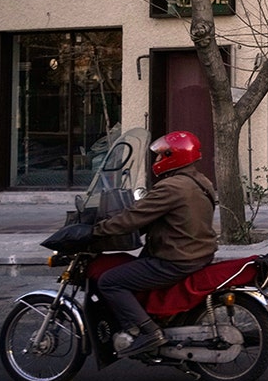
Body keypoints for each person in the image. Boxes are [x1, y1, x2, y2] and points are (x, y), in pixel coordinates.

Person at [92, 130, 218, 357]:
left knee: (110, 281)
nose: (158, 161)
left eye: (162, 156)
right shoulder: (201, 181)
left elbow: (132, 217)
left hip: (175, 260)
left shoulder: (171, 187)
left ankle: (149, 332)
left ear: (175, 156)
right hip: (197, 253)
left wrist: (97, 230)